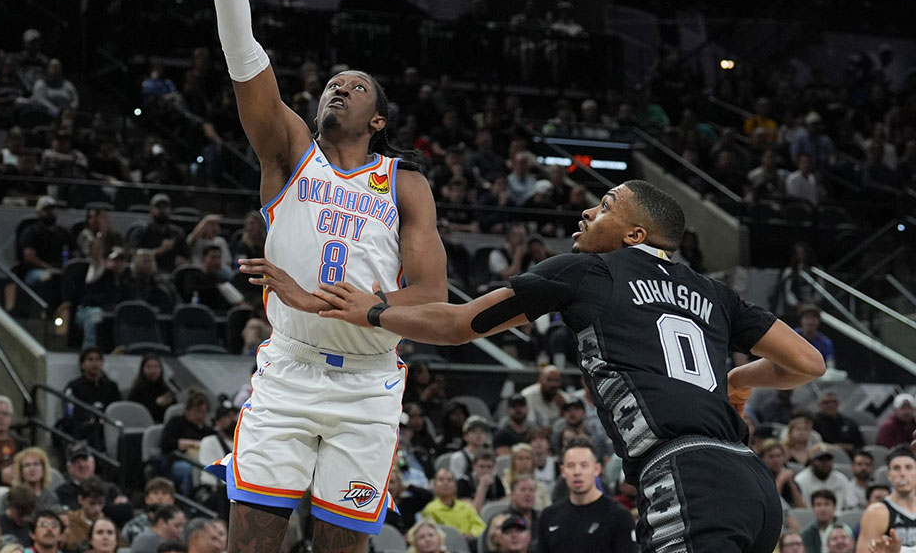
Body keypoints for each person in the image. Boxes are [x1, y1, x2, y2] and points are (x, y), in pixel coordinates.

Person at [301, 180, 827, 552]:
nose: (586, 213)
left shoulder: (587, 271)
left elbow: (459, 325)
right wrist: (739, 379)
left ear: (635, 236)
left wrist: (374, 312)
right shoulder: (716, 293)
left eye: (604, 206)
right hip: (753, 484)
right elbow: (808, 362)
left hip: (688, 476)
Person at [201, 0, 448, 549]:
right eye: (331, 81)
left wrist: (355, 305)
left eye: (356, 84)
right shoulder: (287, 153)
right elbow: (240, 47)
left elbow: (431, 296)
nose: (338, 84)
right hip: (289, 370)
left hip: (370, 384)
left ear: (378, 118)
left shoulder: (406, 184)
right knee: (251, 539)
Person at [535, 440, 636, 553]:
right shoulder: (549, 516)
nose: (577, 472)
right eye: (571, 465)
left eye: (584, 465)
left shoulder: (619, 516)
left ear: (597, 469)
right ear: (563, 471)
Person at [856, 448, 916, 553]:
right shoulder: (876, 512)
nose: (903, 473)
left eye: (908, 467)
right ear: (889, 474)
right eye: (896, 468)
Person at [62, 348, 122, 442]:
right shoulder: (74, 386)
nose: (95, 363)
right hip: (83, 428)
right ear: (82, 364)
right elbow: (70, 411)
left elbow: (118, 408)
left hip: (108, 427)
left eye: (98, 359)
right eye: (90, 360)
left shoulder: (111, 386)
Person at [161, 393, 212, 496]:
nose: (200, 415)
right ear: (188, 410)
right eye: (197, 411)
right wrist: (193, 444)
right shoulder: (177, 422)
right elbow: (166, 443)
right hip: (178, 459)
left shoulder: (207, 430)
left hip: (202, 461)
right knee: (191, 471)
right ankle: (190, 503)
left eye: (203, 412)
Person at [128, 195, 189, 272]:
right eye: (158, 207)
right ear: (151, 210)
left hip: (172, 274)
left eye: (165, 207)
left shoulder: (177, 233)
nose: (162, 211)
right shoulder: (141, 231)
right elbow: (133, 255)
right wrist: (160, 250)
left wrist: (183, 261)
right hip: (147, 274)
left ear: (170, 209)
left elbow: (187, 256)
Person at [420, 469, 485, 539]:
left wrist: (472, 533)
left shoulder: (467, 507)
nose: (445, 483)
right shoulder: (429, 510)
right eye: (441, 480)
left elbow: (479, 525)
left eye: (450, 480)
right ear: (434, 486)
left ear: (455, 486)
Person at [796, 445, 860, 510]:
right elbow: (801, 509)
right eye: (821, 460)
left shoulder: (841, 479)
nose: (824, 463)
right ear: (812, 461)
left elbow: (852, 505)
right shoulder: (801, 480)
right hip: (810, 517)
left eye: (828, 459)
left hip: (839, 518)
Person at [120, 477, 176, 545]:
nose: (160, 497)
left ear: (172, 500)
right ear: (147, 499)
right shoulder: (135, 525)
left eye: (164, 493)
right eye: (155, 493)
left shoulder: (180, 526)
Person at [125, 356, 175, 424]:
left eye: (156, 367)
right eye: (148, 367)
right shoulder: (137, 390)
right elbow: (134, 412)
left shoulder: (165, 389)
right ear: (142, 369)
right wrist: (156, 404)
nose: (153, 371)